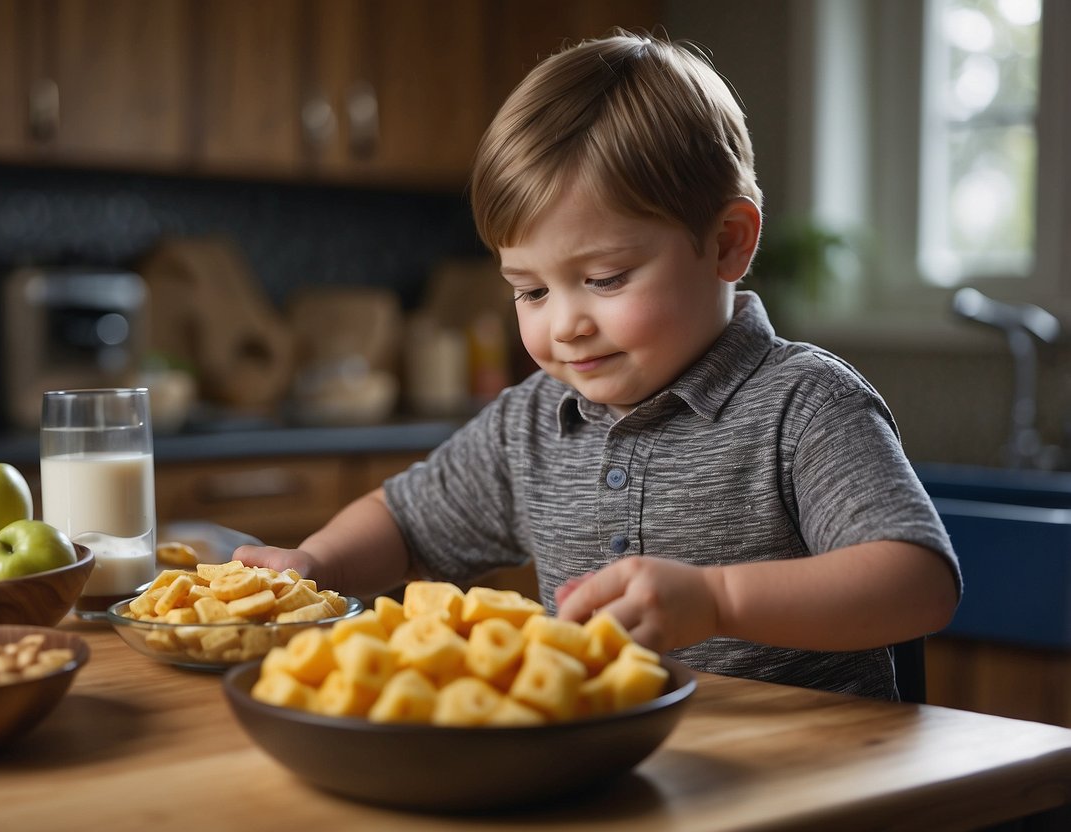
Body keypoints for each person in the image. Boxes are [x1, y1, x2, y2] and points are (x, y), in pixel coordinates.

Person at [236, 30, 961, 700]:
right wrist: (317, 565)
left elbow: (916, 582)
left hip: (811, 777)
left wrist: (718, 601)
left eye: (606, 279)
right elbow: (402, 522)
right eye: (530, 290)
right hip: (612, 772)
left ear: (727, 244)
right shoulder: (532, 421)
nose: (565, 324)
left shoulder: (803, 405)